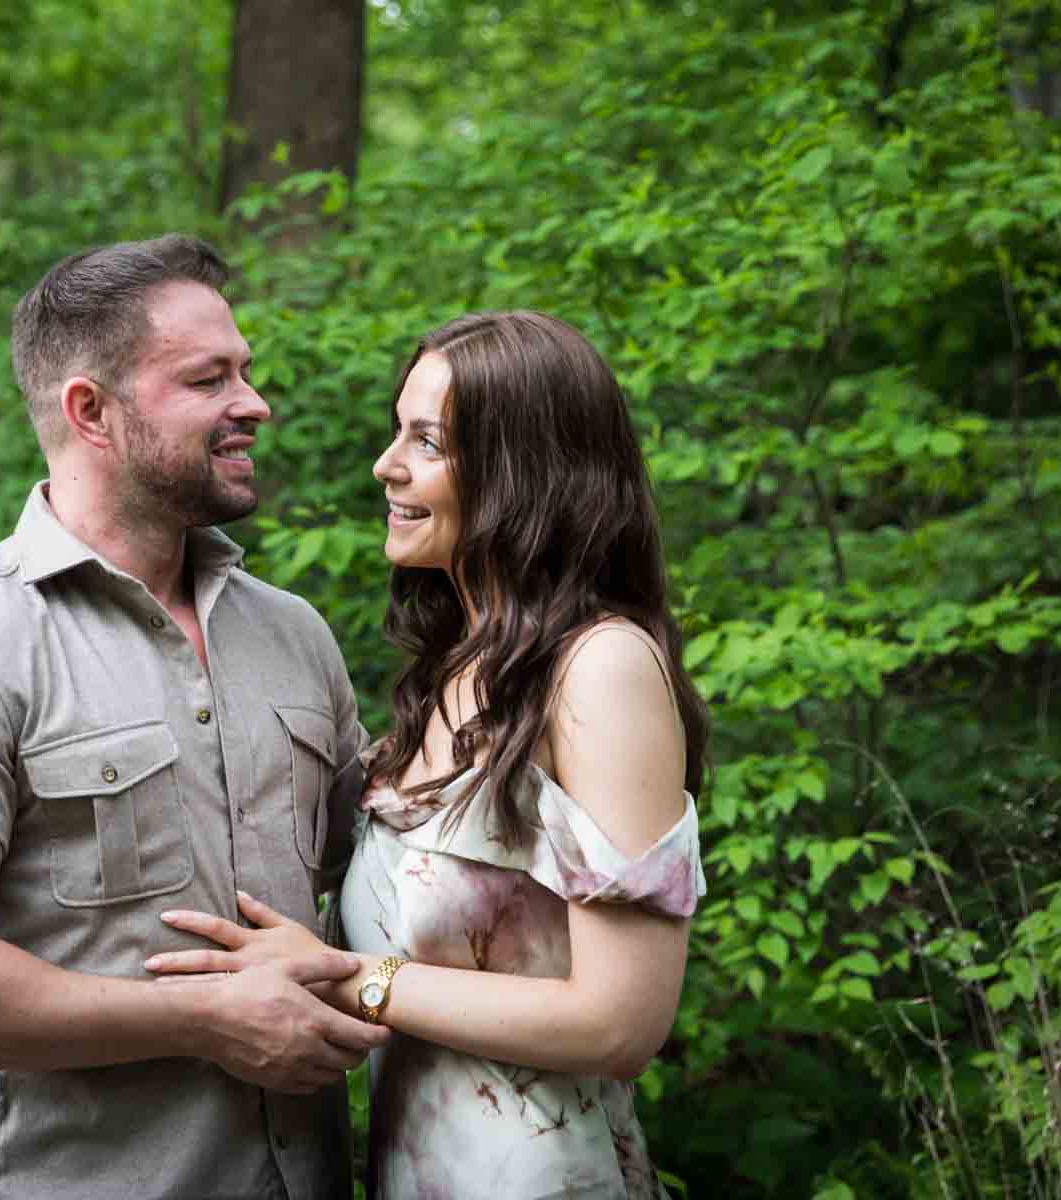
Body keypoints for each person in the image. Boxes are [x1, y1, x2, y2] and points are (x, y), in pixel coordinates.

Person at [0, 233, 389, 1200]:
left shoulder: (294, 635)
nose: (255, 403)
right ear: (92, 412)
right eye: (210, 379)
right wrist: (204, 1019)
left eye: (246, 372)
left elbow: (389, 880)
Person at [145, 311, 711, 1198]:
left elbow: (620, 1023)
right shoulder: (461, 668)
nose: (387, 465)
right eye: (396, 431)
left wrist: (347, 980)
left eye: (429, 441)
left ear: (527, 472)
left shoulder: (599, 668)